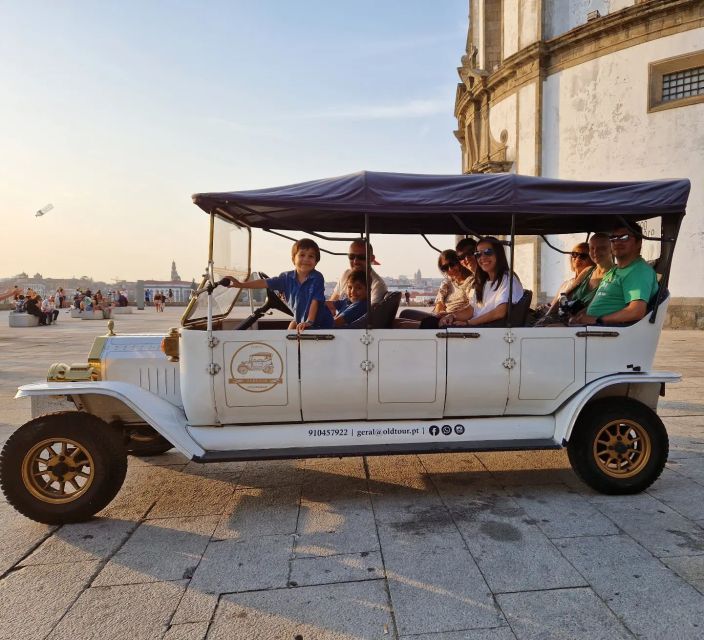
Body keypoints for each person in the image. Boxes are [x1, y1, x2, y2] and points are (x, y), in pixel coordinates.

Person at [224, 238, 334, 332]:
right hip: (302, 322)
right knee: (291, 330)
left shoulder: (317, 277)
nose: (306, 259)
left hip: (320, 324)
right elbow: (264, 282)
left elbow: (315, 300)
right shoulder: (285, 278)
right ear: (293, 259)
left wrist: (309, 321)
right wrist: (240, 284)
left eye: (311, 256)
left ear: (316, 261)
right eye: (302, 255)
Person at [571, 223, 658, 326]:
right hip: (588, 328)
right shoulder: (615, 270)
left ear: (638, 243)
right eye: (613, 238)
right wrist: (581, 315)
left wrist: (597, 320)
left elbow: (636, 311)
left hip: (605, 331)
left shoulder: (638, 271)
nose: (617, 242)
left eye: (624, 238)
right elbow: (600, 301)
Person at [441, 236, 524, 326]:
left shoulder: (507, 278)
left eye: (488, 252)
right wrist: (452, 316)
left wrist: (468, 323)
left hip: (488, 331)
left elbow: (500, 312)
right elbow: (472, 309)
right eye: (478, 254)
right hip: (479, 328)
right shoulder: (484, 282)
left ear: (498, 253)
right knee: (433, 322)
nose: (483, 257)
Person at [401, 249, 474, 327]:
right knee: (405, 313)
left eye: (452, 264)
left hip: (453, 319)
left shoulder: (471, 282)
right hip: (442, 317)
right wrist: (438, 314)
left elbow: (472, 308)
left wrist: (449, 315)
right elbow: (439, 305)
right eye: (445, 268)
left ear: (459, 262)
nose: (450, 269)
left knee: (402, 325)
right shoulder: (447, 283)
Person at [536, 241, 596, 322]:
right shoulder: (566, 284)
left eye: (583, 256)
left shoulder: (591, 281)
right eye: (574, 254)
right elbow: (553, 305)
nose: (577, 258)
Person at [330, 240, 387, 305]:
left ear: (371, 258)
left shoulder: (377, 285)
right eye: (351, 257)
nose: (355, 261)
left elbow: (371, 314)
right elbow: (332, 302)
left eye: (361, 257)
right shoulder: (346, 274)